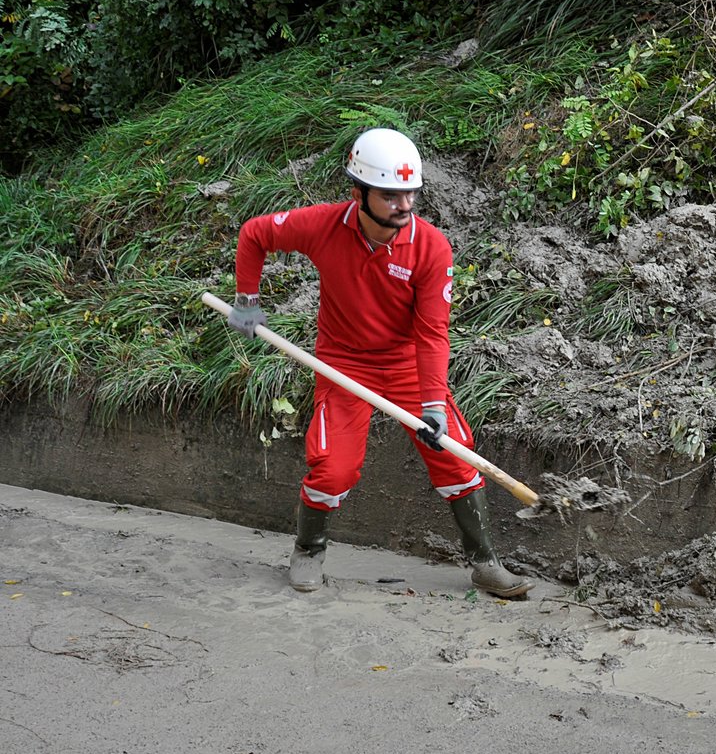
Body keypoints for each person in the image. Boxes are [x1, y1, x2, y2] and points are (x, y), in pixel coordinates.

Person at [227, 128, 533, 598]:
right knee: (332, 469)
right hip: (343, 364)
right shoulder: (323, 226)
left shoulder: (431, 248)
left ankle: (485, 562)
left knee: (452, 452)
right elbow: (255, 235)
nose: (404, 205)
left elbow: (432, 334)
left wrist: (432, 404)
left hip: (409, 365)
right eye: (391, 195)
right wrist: (247, 300)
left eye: (410, 194)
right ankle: (309, 550)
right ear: (359, 193)